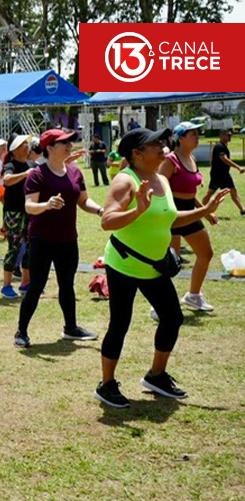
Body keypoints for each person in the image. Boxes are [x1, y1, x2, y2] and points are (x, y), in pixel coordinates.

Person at [96, 127, 229, 408]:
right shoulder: (125, 180)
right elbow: (107, 221)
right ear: (137, 153)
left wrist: (202, 211)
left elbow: (169, 218)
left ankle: (156, 375)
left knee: (172, 317)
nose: (162, 146)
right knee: (120, 324)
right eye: (154, 143)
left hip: (155, 265)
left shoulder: (160, 180)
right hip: (124, 264)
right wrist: (137, 210)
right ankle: (106, 384)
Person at [13, 129, 103, 348]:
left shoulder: (75, 173)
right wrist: (46, 204)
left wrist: (100, 210)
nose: (69, 145)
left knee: (67, 284)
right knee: (36, 285)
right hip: (42, 239)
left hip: (68, 239)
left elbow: (83, 201)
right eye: (63, 142)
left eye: (69, 142)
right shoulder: (37, 174)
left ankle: (70, 328)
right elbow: (29, 206)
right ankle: (21, 332)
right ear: (50, 148)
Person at [158, 122, 217, 312]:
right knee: (170, 263)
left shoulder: (191, 158)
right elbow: (159, 187)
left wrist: (206, 211)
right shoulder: (170, 160)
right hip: (172, 214)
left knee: (206, 253)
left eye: (198, 134)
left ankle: (193, 296)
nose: (198, 137)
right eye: (193, 134)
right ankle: (159, 305)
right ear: (180, 138)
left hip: (190, 212)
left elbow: (191, 193)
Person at [0, 135, 35, 299]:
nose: (27, 147)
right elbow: (6, 180)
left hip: (29, 211)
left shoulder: (31, 164)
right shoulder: (11, 165)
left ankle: (26, 283)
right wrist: (25, 175)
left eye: (27, 144)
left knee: (29, 247)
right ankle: (6, 285)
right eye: (23, 145)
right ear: (14, 149)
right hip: (14, 212)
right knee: (14, 247)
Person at [202, 128, 245, 214]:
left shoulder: (222, 146)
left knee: (233, 191)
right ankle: (200, 208)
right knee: (210, 192)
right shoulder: (219, 146)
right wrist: (238, 167)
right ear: (221, 136)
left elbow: (212, 160)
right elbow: (224, 159)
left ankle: (242, 210)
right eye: (228, 135)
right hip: (218, 174)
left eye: (230, 135)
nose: (230, 137)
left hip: (224, 174)